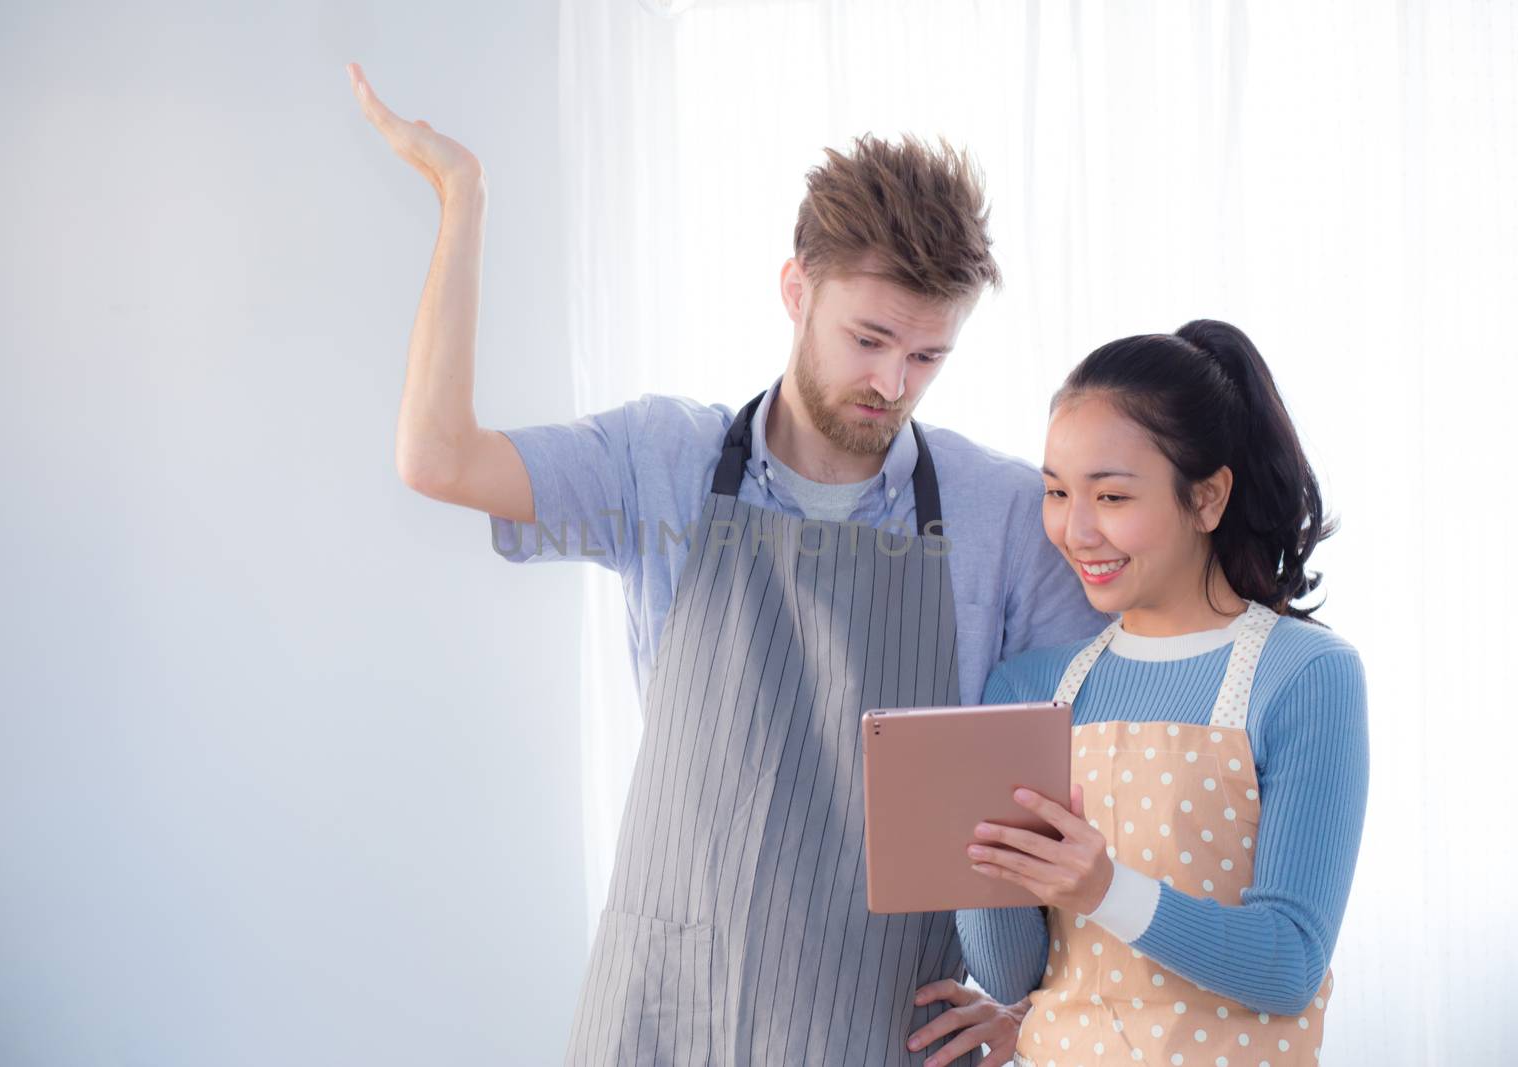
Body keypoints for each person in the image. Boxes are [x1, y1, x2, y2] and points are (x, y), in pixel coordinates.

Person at [346, 62, 1106, 1066]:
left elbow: (1100, 776)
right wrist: (463, 198)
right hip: (666, 1012)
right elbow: (437, 458)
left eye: (927, 356)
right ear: (795, 289)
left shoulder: (1003, 512)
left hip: (880, 1029)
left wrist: (1046, 1005)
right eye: (868, 338)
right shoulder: (662, 462)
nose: (891, 382)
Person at [908, 320, 1369, 1066]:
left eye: (1112, 496)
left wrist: (1103, 888)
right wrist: (977, 852)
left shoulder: (1305, 674)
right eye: (1056, 491)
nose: (1076, 529)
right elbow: (1011, 971)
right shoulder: (1028, 684)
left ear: (1209, 497)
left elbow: (1288, 965)